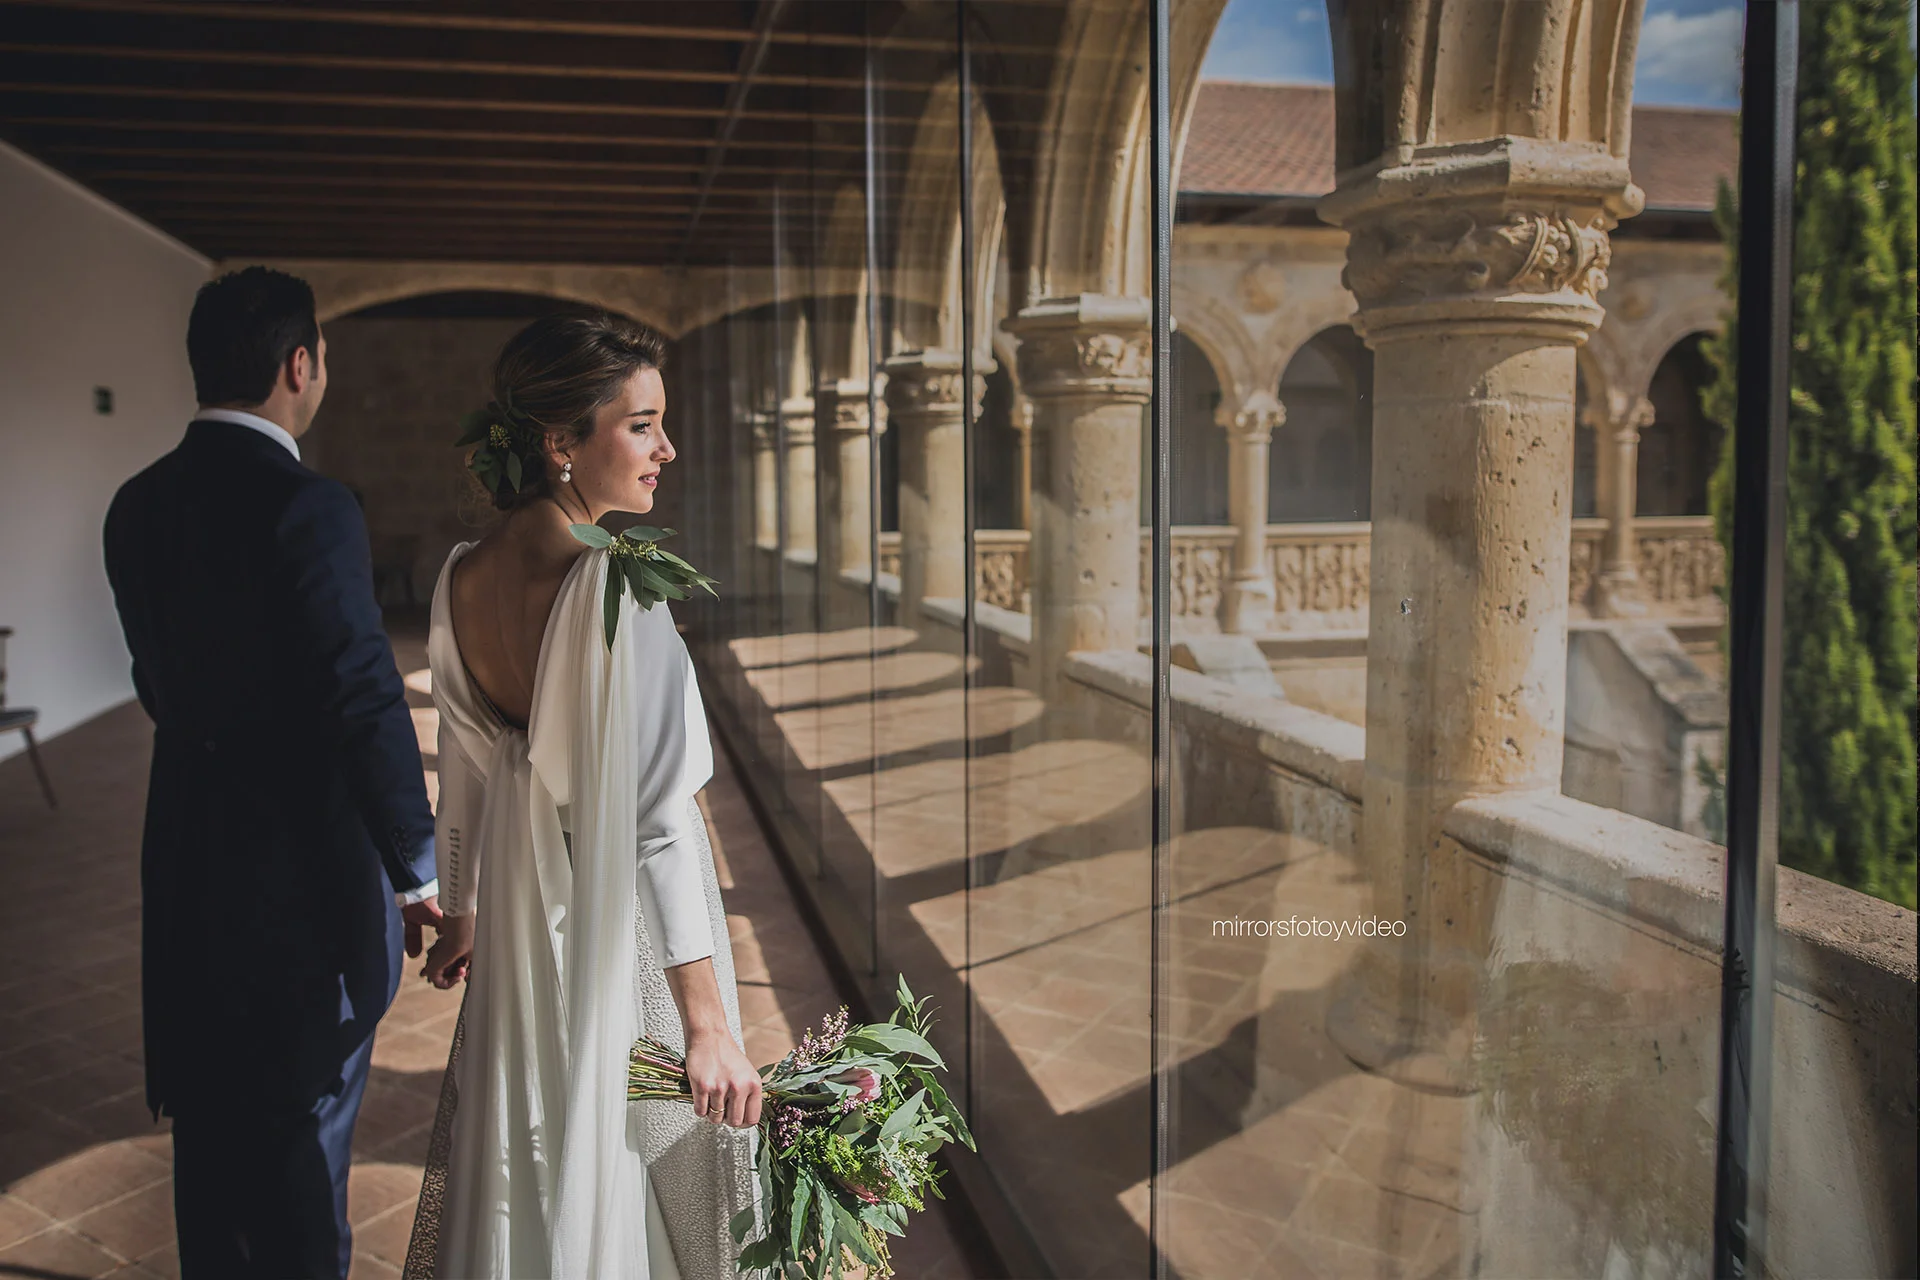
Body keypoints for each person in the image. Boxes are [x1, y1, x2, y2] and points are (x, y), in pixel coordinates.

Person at [102, 266, 445, 1277]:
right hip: (298, 888)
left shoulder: (136, 506)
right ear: (300, 365)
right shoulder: (314, 506)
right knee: (302, 1150)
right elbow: (361, 692)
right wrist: (415, 869)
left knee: (208, 1143)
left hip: (186, 857)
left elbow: (158, 682)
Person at [406, 313, 761, 1278]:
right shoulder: (621, 594)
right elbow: (657, 830)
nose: (667, 448)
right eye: (642, 424)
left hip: (525, 923)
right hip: (618, 932)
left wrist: (466, 910)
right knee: (621, 1150)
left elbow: (468, 766)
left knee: (538, 1133)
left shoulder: (459, 581)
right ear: (562, 442)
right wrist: (708, 1027)